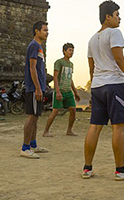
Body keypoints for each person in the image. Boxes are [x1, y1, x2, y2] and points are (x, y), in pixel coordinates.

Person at [82, 0, 124, 180]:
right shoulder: (114, 32)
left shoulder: (92, 39)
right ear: (107, 17)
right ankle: (120, 171)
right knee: (118, 127)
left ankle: (87, 168)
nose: (120, 18)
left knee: (95, 126)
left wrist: (95, 86)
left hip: (98, 86)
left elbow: (91, 68)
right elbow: (120, 59)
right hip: (114, 85)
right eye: (117, 14)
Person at [20, 21, 50, 159]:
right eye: (44, 30)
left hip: (40, 87)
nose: (47, 32)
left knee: (36, 116)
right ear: (37, 31)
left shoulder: (39, 47)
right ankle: (25, 148)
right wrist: (37, 87)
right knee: (32, 116)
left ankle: (33, 145)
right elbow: (32, 68)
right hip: (34, 88)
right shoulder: (33, 46)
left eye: (47, 30)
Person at [43, 43, 81, 137]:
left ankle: (69, 130)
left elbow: (70, 78)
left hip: (68, 91)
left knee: (73, 110)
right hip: (60, 90)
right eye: (69, 50)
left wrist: (75, 92)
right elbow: (55, 77)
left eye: (72, 50)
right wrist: (58, 91)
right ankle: (46, 131)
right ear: (64, 51)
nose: (71, 52)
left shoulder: (71, 64)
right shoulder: (59, 62)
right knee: (55, 111)